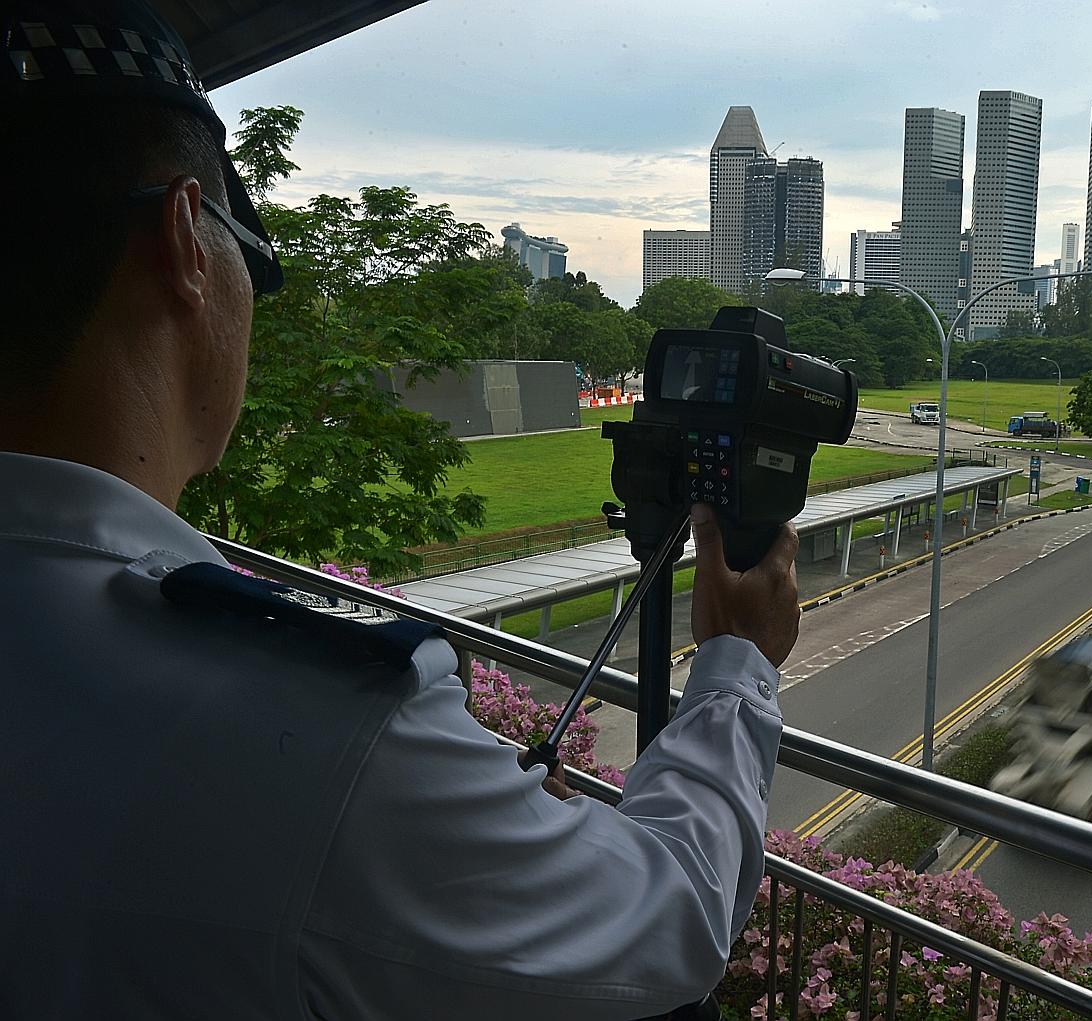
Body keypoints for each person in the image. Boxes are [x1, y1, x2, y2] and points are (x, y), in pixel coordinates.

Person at [0, 3, 800, 1018]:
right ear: (185, 247)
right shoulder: (314, 730)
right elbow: (667, 917)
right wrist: (738, 662)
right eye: (253, 253)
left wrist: (472, 824)